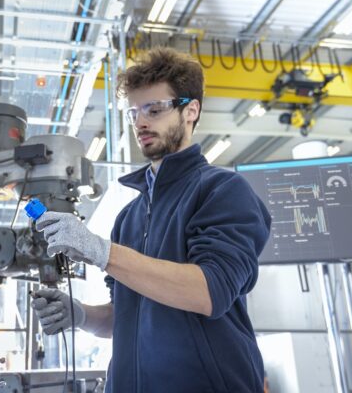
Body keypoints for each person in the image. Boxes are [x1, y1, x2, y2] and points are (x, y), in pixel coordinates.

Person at [31, 47, 271, 393]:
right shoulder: (129, 217)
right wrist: (81, 315)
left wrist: (102, 252)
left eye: (154, 110)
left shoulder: (222, 190)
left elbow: (209, 292)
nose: (140, 122)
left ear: (191, 111)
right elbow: (126, 315)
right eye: (134, 112)